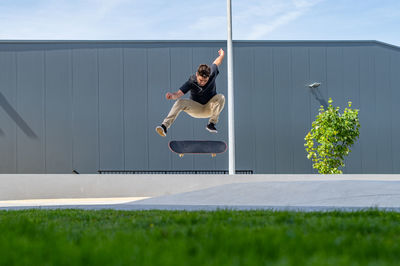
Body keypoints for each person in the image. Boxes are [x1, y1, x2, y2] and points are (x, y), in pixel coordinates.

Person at [156, 48, 225, 137]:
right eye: (200, 80)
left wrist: (222, 55)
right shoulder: (191, 81)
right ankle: (164, 126)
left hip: (209, 107)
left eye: (205, 80)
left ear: (209, 76)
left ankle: (211, 124)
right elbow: (178, 94)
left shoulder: (212, 73)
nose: (203, 83)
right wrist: (172, 96)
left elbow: (217, 62)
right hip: (196, 108)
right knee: (180, 102)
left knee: (221, 97)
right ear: (197, 74)